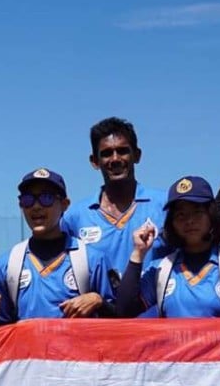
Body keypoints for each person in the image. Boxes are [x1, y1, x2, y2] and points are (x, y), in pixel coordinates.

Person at [116, 176, 220, 318]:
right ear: (171, 222)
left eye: (197, 212)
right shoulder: (161, 270)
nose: (189, 221)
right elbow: (125, 311)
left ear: (211, 215)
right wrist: (138, 253)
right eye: (181, 214)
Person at [0, 168, 114, 324]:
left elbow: (116, 324)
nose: (36, 207)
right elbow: (1, 331)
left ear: (64, 204)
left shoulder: (92, 260)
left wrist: (99, 302)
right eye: (28, 199)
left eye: (46, 198)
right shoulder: (6, 265)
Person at [61, 117, 167, 278]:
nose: (115, 159)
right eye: (106, 153)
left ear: (137, 155)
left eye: (122, 151)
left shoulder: (165, 205)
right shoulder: (75, 217)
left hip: (155, 303)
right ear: (95, 161)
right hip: (97, 303)